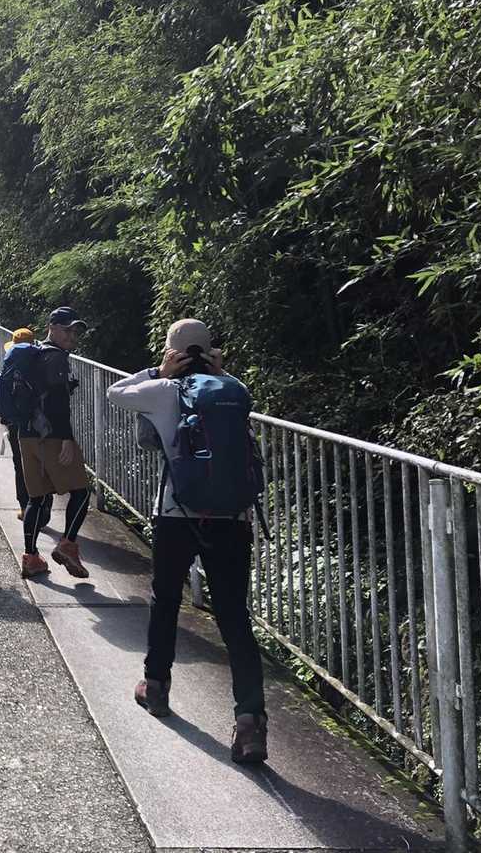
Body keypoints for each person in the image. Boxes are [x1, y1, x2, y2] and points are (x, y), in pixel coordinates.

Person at [106, 318, 268, 765]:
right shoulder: (233, 390)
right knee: (234, 616)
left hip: (177, 514)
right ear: (210, 351)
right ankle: (250, 722)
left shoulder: (163, 390)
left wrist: (158, 371)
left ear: (172, 350)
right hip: (233, 517)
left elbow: (115, 392)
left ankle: (156, 687)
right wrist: (220, 370)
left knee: (166, 600)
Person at [17, 307, 93, 580]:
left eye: (75, 331)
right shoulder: (57, 357)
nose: (72, 336)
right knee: (82, 492)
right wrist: (67, 439)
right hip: (50, 436)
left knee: (36, 499)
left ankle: (31, 557)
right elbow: (57, 404)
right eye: (66, 330)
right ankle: (67, 544)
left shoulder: (33, 353)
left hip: (26, 434)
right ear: (52, 327)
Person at [3, 327, 36, 520]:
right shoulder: (41, 362)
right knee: (38, 465)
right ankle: (41, 507)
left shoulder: (9, 364)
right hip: (37, 422)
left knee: (19, 462)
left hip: (15, 421)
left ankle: (24, 508)